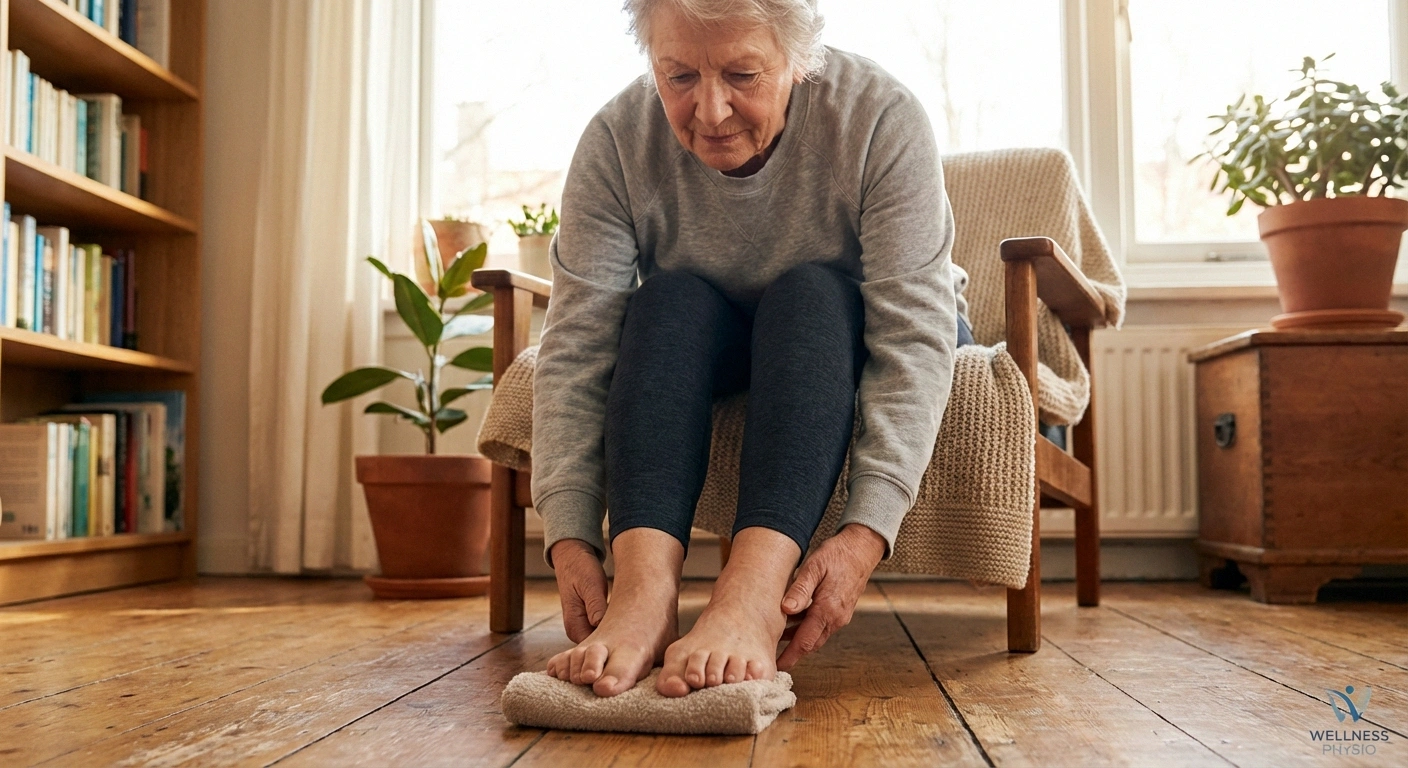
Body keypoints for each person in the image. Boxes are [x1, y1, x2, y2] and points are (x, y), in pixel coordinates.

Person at [536, 0, 970, 698]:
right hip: (721, 329)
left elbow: (914, 335)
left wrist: (866, 533)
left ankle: (751, 596)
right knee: (666, 299)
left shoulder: (879, 116)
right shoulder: (617, 140)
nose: (710, 112)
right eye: (678, 77)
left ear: (798, 60)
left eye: (742, 73)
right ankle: (643, 595)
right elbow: (578, 345)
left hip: (855, 322)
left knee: (809, 294)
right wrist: (569, 532)